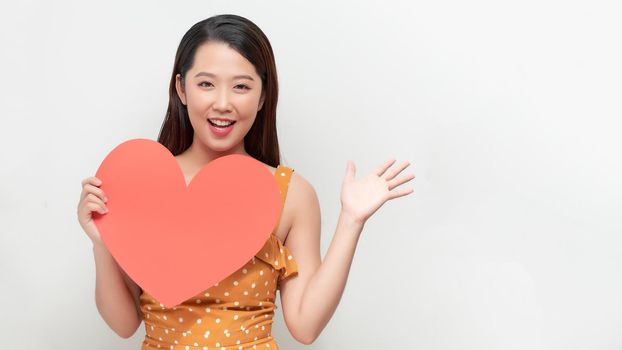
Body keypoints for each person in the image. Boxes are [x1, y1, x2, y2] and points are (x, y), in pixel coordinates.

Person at [77, 14, 415, 349]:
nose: (222, 104)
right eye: (206, 84)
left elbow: (305, 326)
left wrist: (351, 221)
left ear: (263, 95)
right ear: (181, 88)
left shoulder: (291, 194)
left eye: (241, 86)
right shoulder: (143, 184)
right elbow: (124, 325)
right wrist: (101, 243)